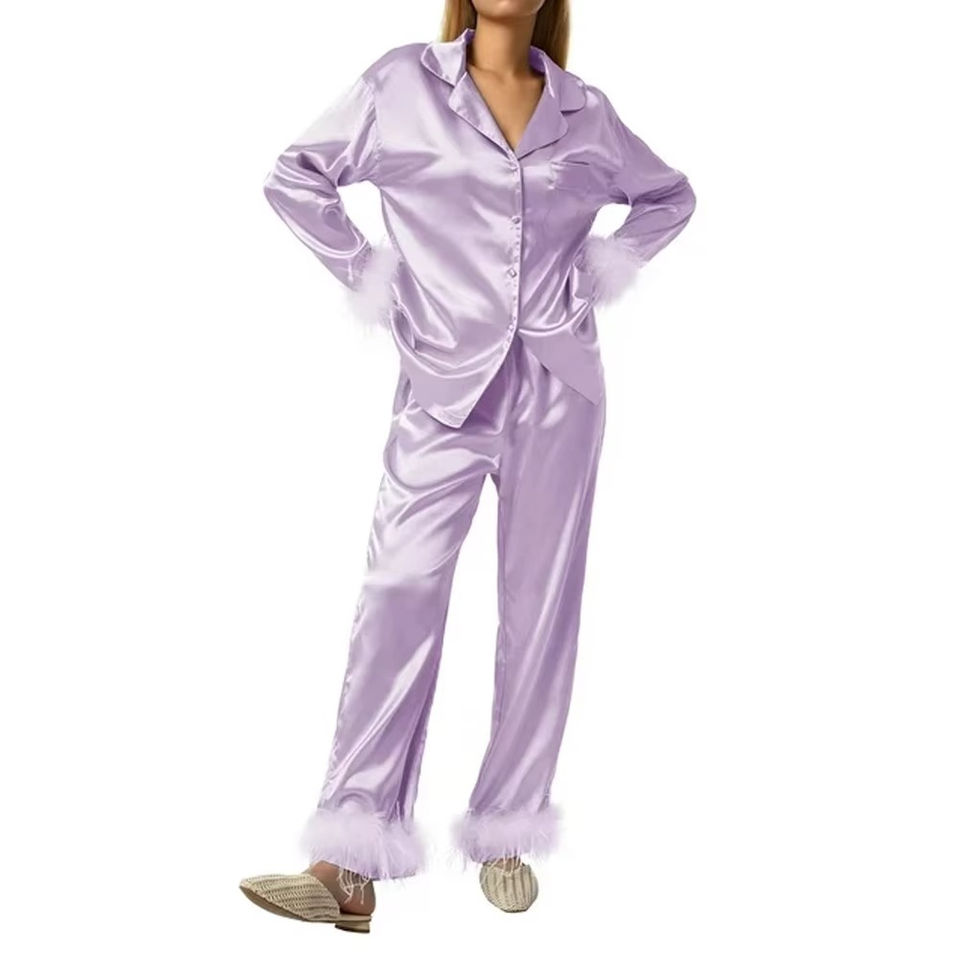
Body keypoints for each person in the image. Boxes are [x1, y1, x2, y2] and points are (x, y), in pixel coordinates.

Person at [240, 0, 696, 932]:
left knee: (540, 606)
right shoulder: (402, 84)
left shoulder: (584, 112)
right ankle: (348, 855)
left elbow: (670, 196)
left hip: (559, 385)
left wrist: (600, 269)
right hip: (443, 382)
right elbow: (297, 176)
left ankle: (507, 828)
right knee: (399, 589)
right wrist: (378, 280)